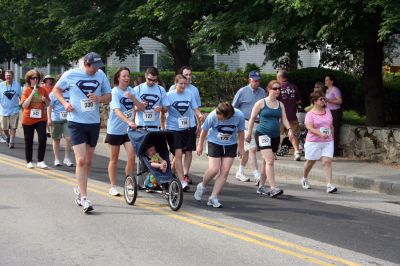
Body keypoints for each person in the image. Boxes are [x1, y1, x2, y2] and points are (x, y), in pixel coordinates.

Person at [53, 52, 112, 213]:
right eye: (94, 67)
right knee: (80, 160)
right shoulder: (71, 74)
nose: (96, 70)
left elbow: (109, 96)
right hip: (76, 122)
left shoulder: (100, 75)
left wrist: (99, 99)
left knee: (88, 161)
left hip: (93, 123)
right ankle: (84, 198)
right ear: (86, 64)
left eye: (98, 67)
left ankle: (79, 189)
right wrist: (65, 104)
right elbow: (56, 90)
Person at [246, 80, 293, 198]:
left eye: (279, 89)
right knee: (270, 160)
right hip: (262, 134)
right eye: (275, 88)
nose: (278, 91)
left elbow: (285, 119)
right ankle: (273, 188)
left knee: (266, 162)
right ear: (269, 89)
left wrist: (290, 129)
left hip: (275, 136)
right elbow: (251, 119)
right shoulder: (261, 103)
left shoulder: (280, 104)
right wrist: (248, 134)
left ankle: (261, 186)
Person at [194, 102, 245, 208]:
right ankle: (202, 186)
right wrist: (200, 145)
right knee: (214, 169)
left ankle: (213, 197)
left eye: (220, 118)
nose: (218, 119)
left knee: (225, 171)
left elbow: (241, 131)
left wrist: (241, 147)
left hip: (230, 144)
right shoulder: (212, 116)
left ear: (228, 116)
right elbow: (204, 130)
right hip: (214, 142)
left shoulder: (239, 115)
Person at [106, 67, 144, 196]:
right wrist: (128, 121)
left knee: (131, 156)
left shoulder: (131, 91)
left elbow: (142, 107)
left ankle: (128, 183)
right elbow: (117, 111)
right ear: (118, 78)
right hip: (115, 130)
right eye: (124, 76)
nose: (127, 78)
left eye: (128, 76)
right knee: (114, 158)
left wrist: (133, 98)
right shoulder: (115, 92)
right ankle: (112, 186)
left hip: (128, 131)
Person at [164, 74, 204, 191]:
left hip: (187, 127)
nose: (183, 86)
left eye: (185, 84)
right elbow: (164, 111)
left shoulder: (190, 94)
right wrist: (162, 126)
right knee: (178, 153)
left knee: (184, 152)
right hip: (173, 129)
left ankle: (170, 173)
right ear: (175, 84)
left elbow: (195, 108)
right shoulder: (169, 95)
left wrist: (200, 115)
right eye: (180, 83)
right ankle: (182, 181)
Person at [232, 70, 266, 183]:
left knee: (246, 150)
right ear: (249, 80)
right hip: (245, 123)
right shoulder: (242, 91)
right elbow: (233, 108)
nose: (257, 83)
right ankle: (257, 174)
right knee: (252, 148)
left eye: (258, 80)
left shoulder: (262, 92)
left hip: (258, 123)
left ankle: (240, 172)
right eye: (255, 80)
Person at [301, 91, 337, 193]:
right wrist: (320, 134)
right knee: (311, 161)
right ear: (315, 101)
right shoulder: (310, 114)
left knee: (327, 162)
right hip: (314, 142)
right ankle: (304, 178)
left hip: (327, 142)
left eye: (324, 98)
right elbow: (309, 128)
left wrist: (332, 139)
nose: (323, 100)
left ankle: (329, 185)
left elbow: (331, 126)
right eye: (321, 99)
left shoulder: (328, 111)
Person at [20, 69, 50, 169]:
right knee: (29, 141)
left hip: (41, 118)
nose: (36, 80)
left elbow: (49, 104)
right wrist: (33, 93)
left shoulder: (43, 90)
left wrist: (45, 101)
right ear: (29, 79)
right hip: (28, 119)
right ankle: (29, 161)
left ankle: (40, 160)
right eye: (33, 78)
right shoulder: (26, 90)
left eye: (37, 78)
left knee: (43, 139)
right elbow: (24, 105)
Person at [276, 70, 302, 161]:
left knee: (276, 134)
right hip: (292, 116)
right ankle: (297, 152)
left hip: (279, 116)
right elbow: (299, 102)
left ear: (280, 77)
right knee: (293, 134)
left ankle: (274, 152)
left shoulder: (278, 88)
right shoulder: (294, 87)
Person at [47, 87, 74, 167]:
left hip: (67, 119)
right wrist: (49, 119)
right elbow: (49, 107)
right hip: (56, 119)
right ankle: (57, 159)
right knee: (56, 139)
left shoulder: (70, 93)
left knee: (69, 138)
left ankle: (67, 158)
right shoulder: (53, 94)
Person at [0, 70, 21, 148]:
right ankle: (8, 137)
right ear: (5, 76)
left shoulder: (16, 85)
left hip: (14, 110)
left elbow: (21, 96)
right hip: (3, 110)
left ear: (12, 76)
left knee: (13, 127)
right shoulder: (1, 85)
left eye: (9, 75)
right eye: (7, 75)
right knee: (4, 128)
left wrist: (21, 104)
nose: (8, 76)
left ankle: (11, 142)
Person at [324, 74, 343, 156]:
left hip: (335, 112)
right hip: (328, 112)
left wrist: (329, 100)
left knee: (334, 131)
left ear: (331, 81)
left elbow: (340, 101)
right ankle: (328, 150)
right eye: (325, 80)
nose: (325, 82)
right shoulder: (327, 90)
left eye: (327, 80)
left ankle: (334, 151)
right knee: (328, 131)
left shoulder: (335, 90)